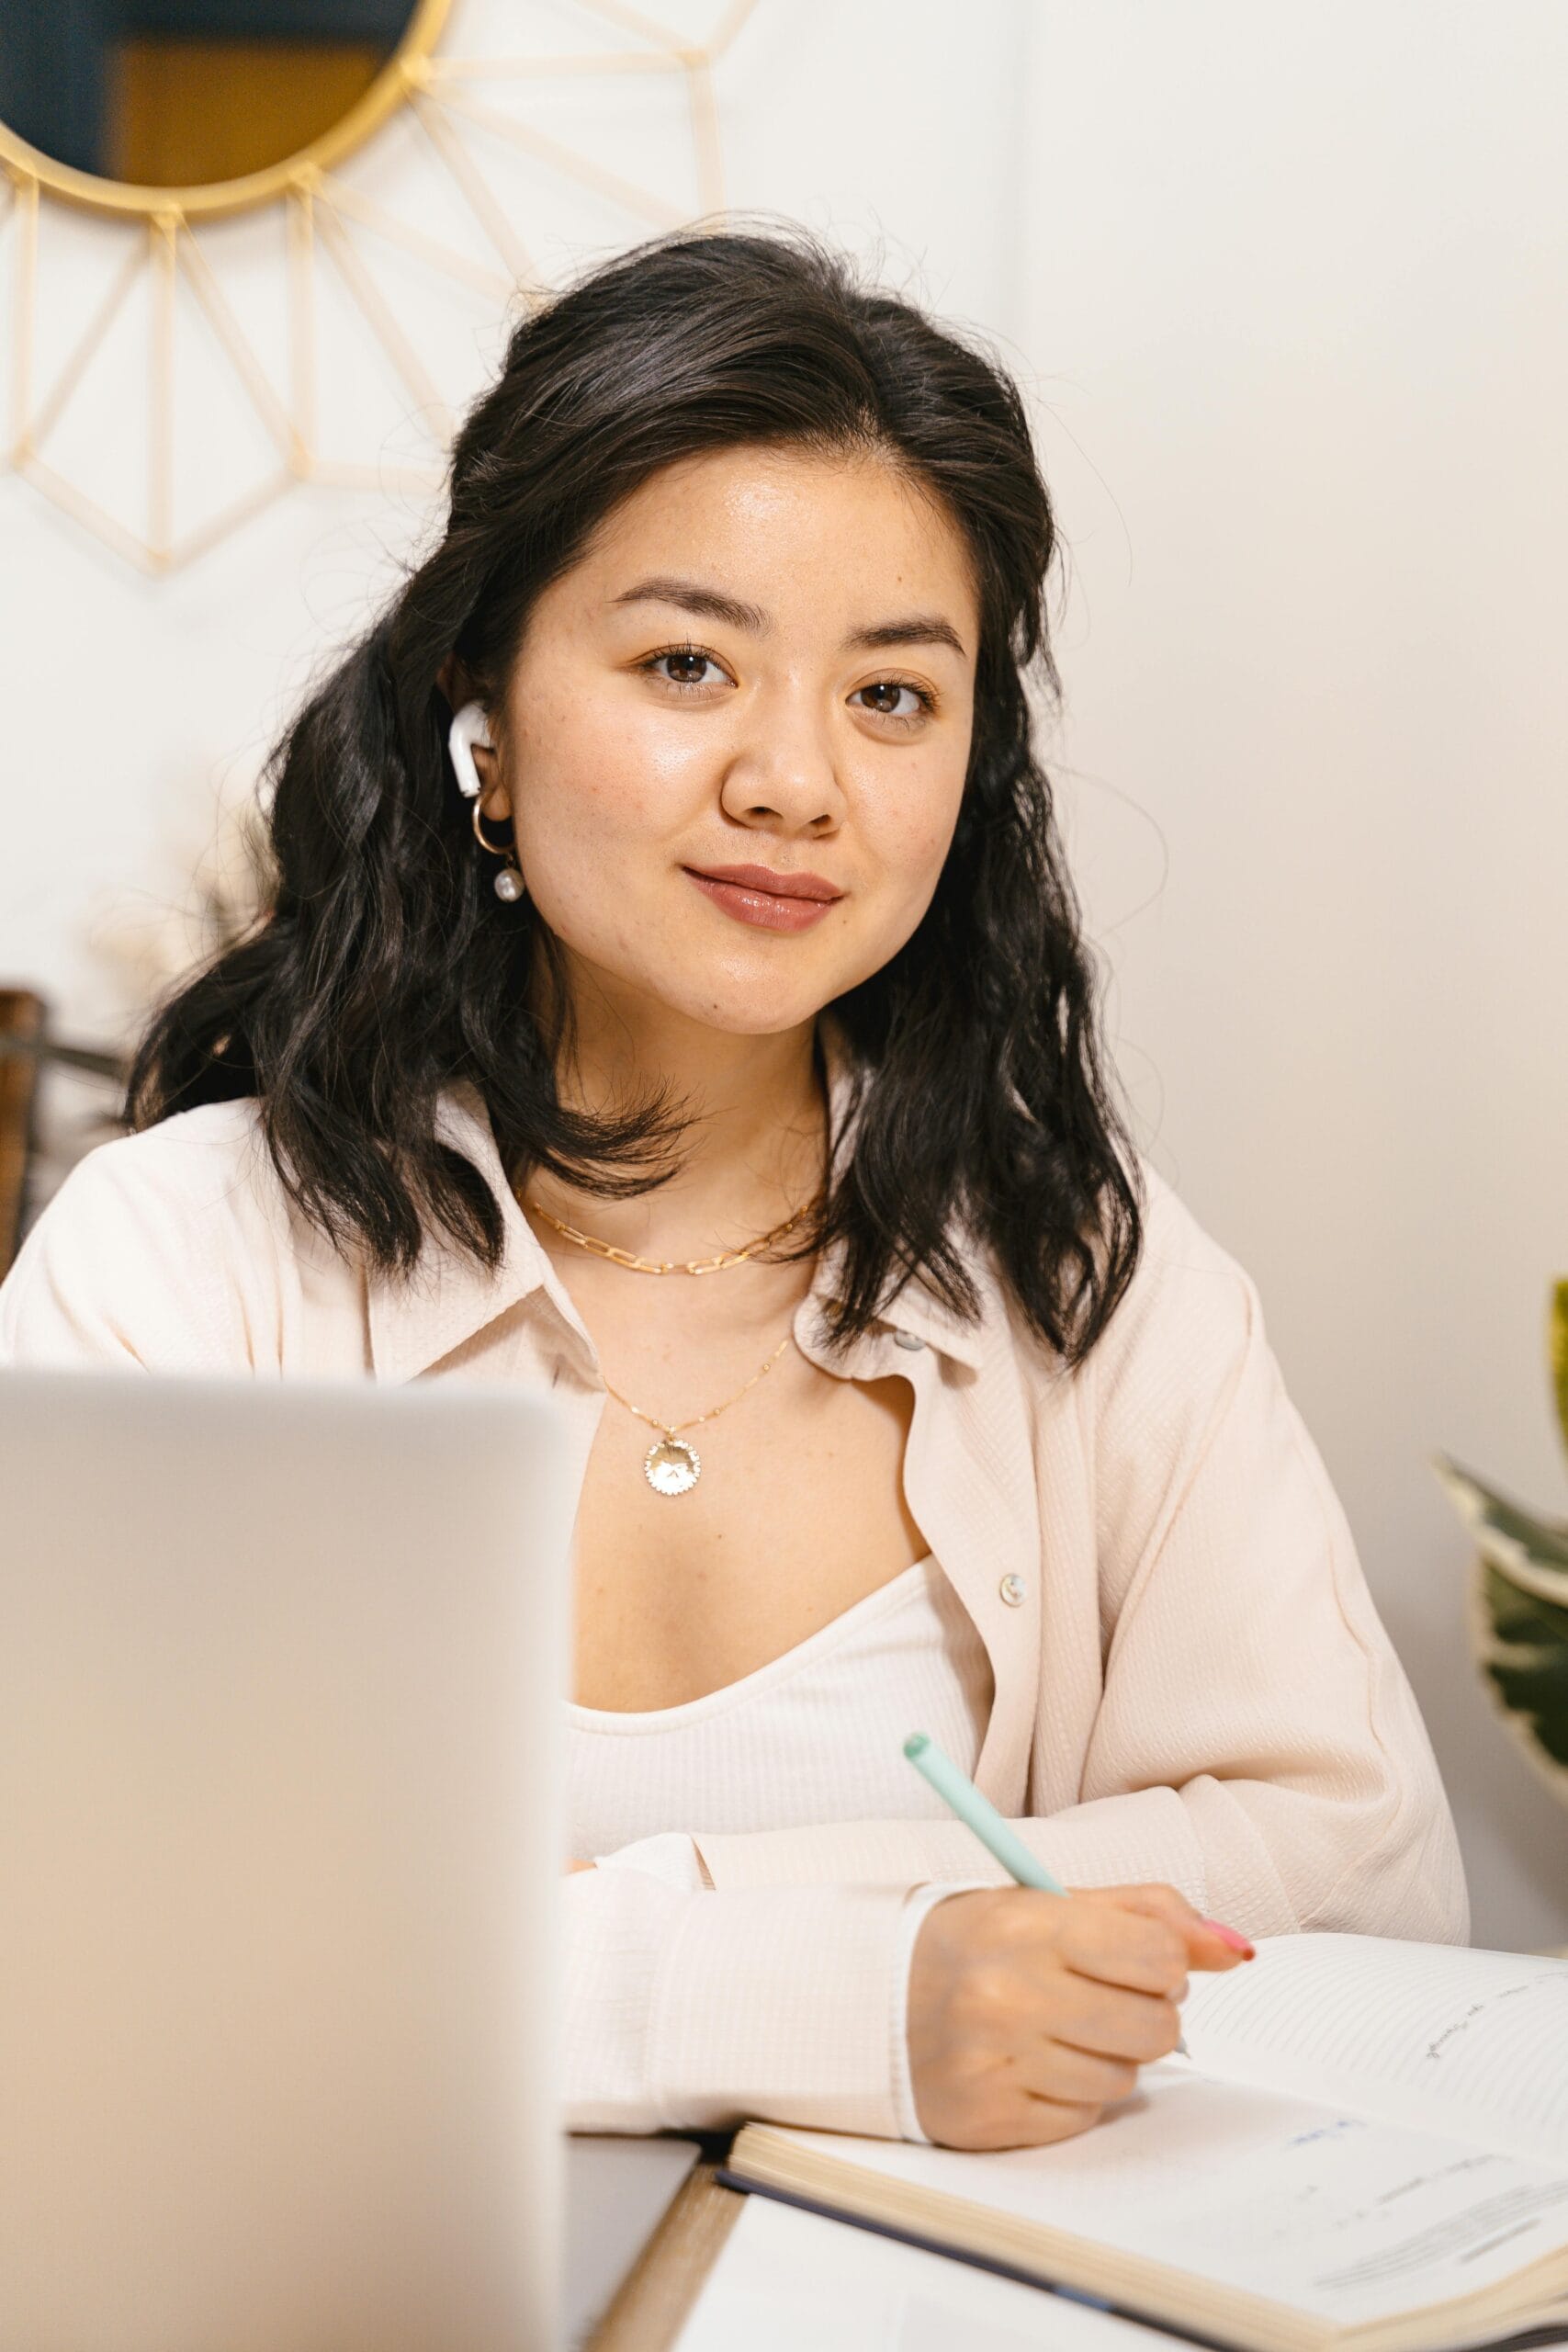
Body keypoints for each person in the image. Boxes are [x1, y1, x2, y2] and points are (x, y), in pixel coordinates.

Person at [0, 222, 1468, 2152]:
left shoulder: (1088, 1270)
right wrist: (832, 1990)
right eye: (687, 660)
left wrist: (522, 1954)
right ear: (484, 715)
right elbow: (83, 1942)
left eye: (890, 695)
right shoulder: (179, 1262)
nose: (794, 780)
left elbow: (1354, 1874)